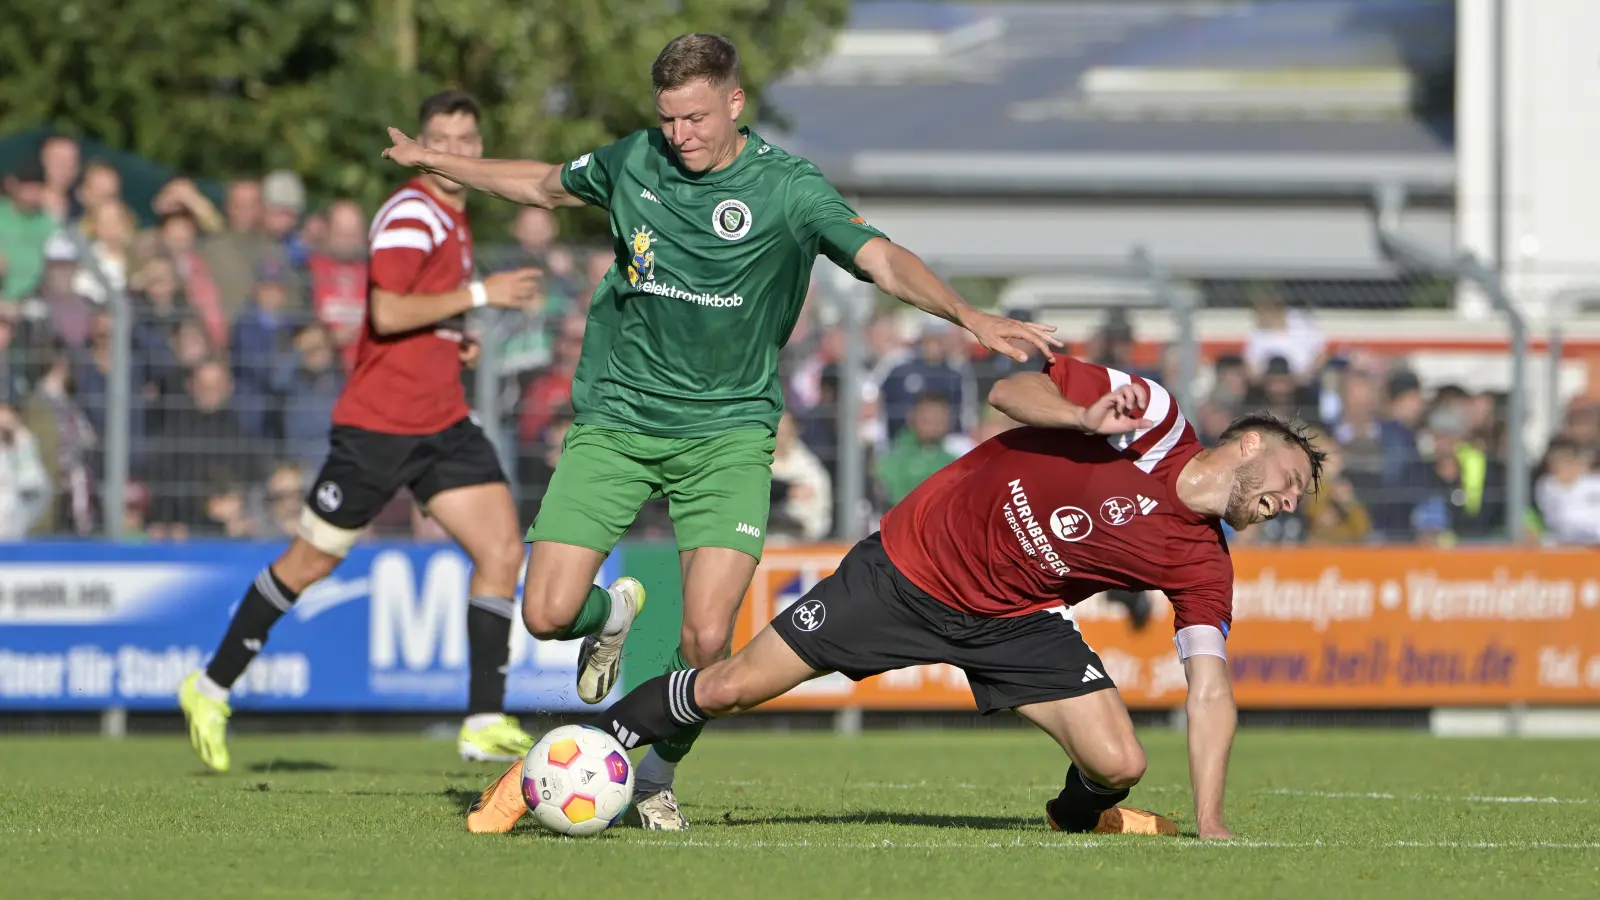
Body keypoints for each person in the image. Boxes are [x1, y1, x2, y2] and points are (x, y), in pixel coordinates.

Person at [381, 33, 1058, 830]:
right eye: (669, 119)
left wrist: (967, 313)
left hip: (727, 435)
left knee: (707, 639)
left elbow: (881, 258)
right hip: (620, 420)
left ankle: (657, 774)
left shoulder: (788, 188)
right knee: (547, 614)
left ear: (734, 102)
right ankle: (613, 617)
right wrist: (434, 160)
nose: (680, 136)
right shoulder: (636, 158)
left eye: (696, 118)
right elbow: (540, 184)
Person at [463, 354, 1323, 839]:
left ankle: (1078, 817)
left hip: (1015, 618)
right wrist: (1082, 416)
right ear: (1249, 443)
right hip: (908, 570)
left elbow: (1210, 689)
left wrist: (1211, 819)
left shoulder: (1205, 564)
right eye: (1288, 481)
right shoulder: (1153, 418)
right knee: (728, 685)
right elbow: (1007, 390)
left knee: (1119, 764)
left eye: (1296, 501)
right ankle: (550, 766)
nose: (1287, 502)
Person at [177, 90, 543, 772]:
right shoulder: (411, 211)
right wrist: (481, 296)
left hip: (441, 422)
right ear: (423, 147)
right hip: (379, 427)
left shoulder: (453, 215)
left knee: (500, 549)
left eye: (467, 140)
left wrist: (453, 338)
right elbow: (388, 310)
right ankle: (209, 686)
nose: (456, 152)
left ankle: (484, 721)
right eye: (442, 140)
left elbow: (418, 315)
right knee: (310, 563)